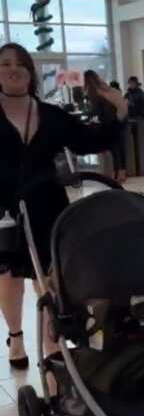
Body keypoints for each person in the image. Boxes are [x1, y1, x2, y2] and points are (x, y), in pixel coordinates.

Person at [1, 42, 126, 371]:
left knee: (52, 278)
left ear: (30, 73)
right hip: (4, 211)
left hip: (47, 206)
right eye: (4, 64)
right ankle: (15, 337)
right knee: (10, 277)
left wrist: (118, 110)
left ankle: (51, 342)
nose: (13, 69)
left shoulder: (51, 115)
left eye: (20, 64)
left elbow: (92, 141)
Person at [84, 70, 129, 183]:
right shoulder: (106, 89)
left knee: (114, 148)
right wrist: (119, 119)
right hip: (115, 121)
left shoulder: (98, 92)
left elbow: (101, 109)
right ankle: (120, 173)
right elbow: (121, 105)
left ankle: (116, 173)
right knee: (118, 147)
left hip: (111, 122)